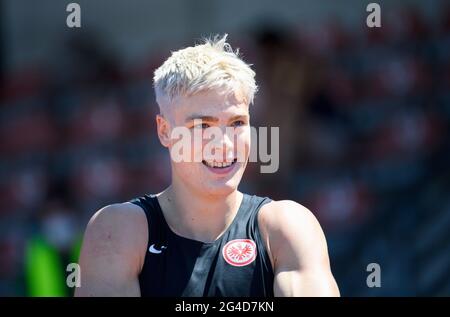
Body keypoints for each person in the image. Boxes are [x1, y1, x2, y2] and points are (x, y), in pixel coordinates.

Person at [75, 35, 340, 297]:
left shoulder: (286, 228)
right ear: (165, 131)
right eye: (203, 126)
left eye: (237, 123)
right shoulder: (119, 229)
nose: (224, 144)